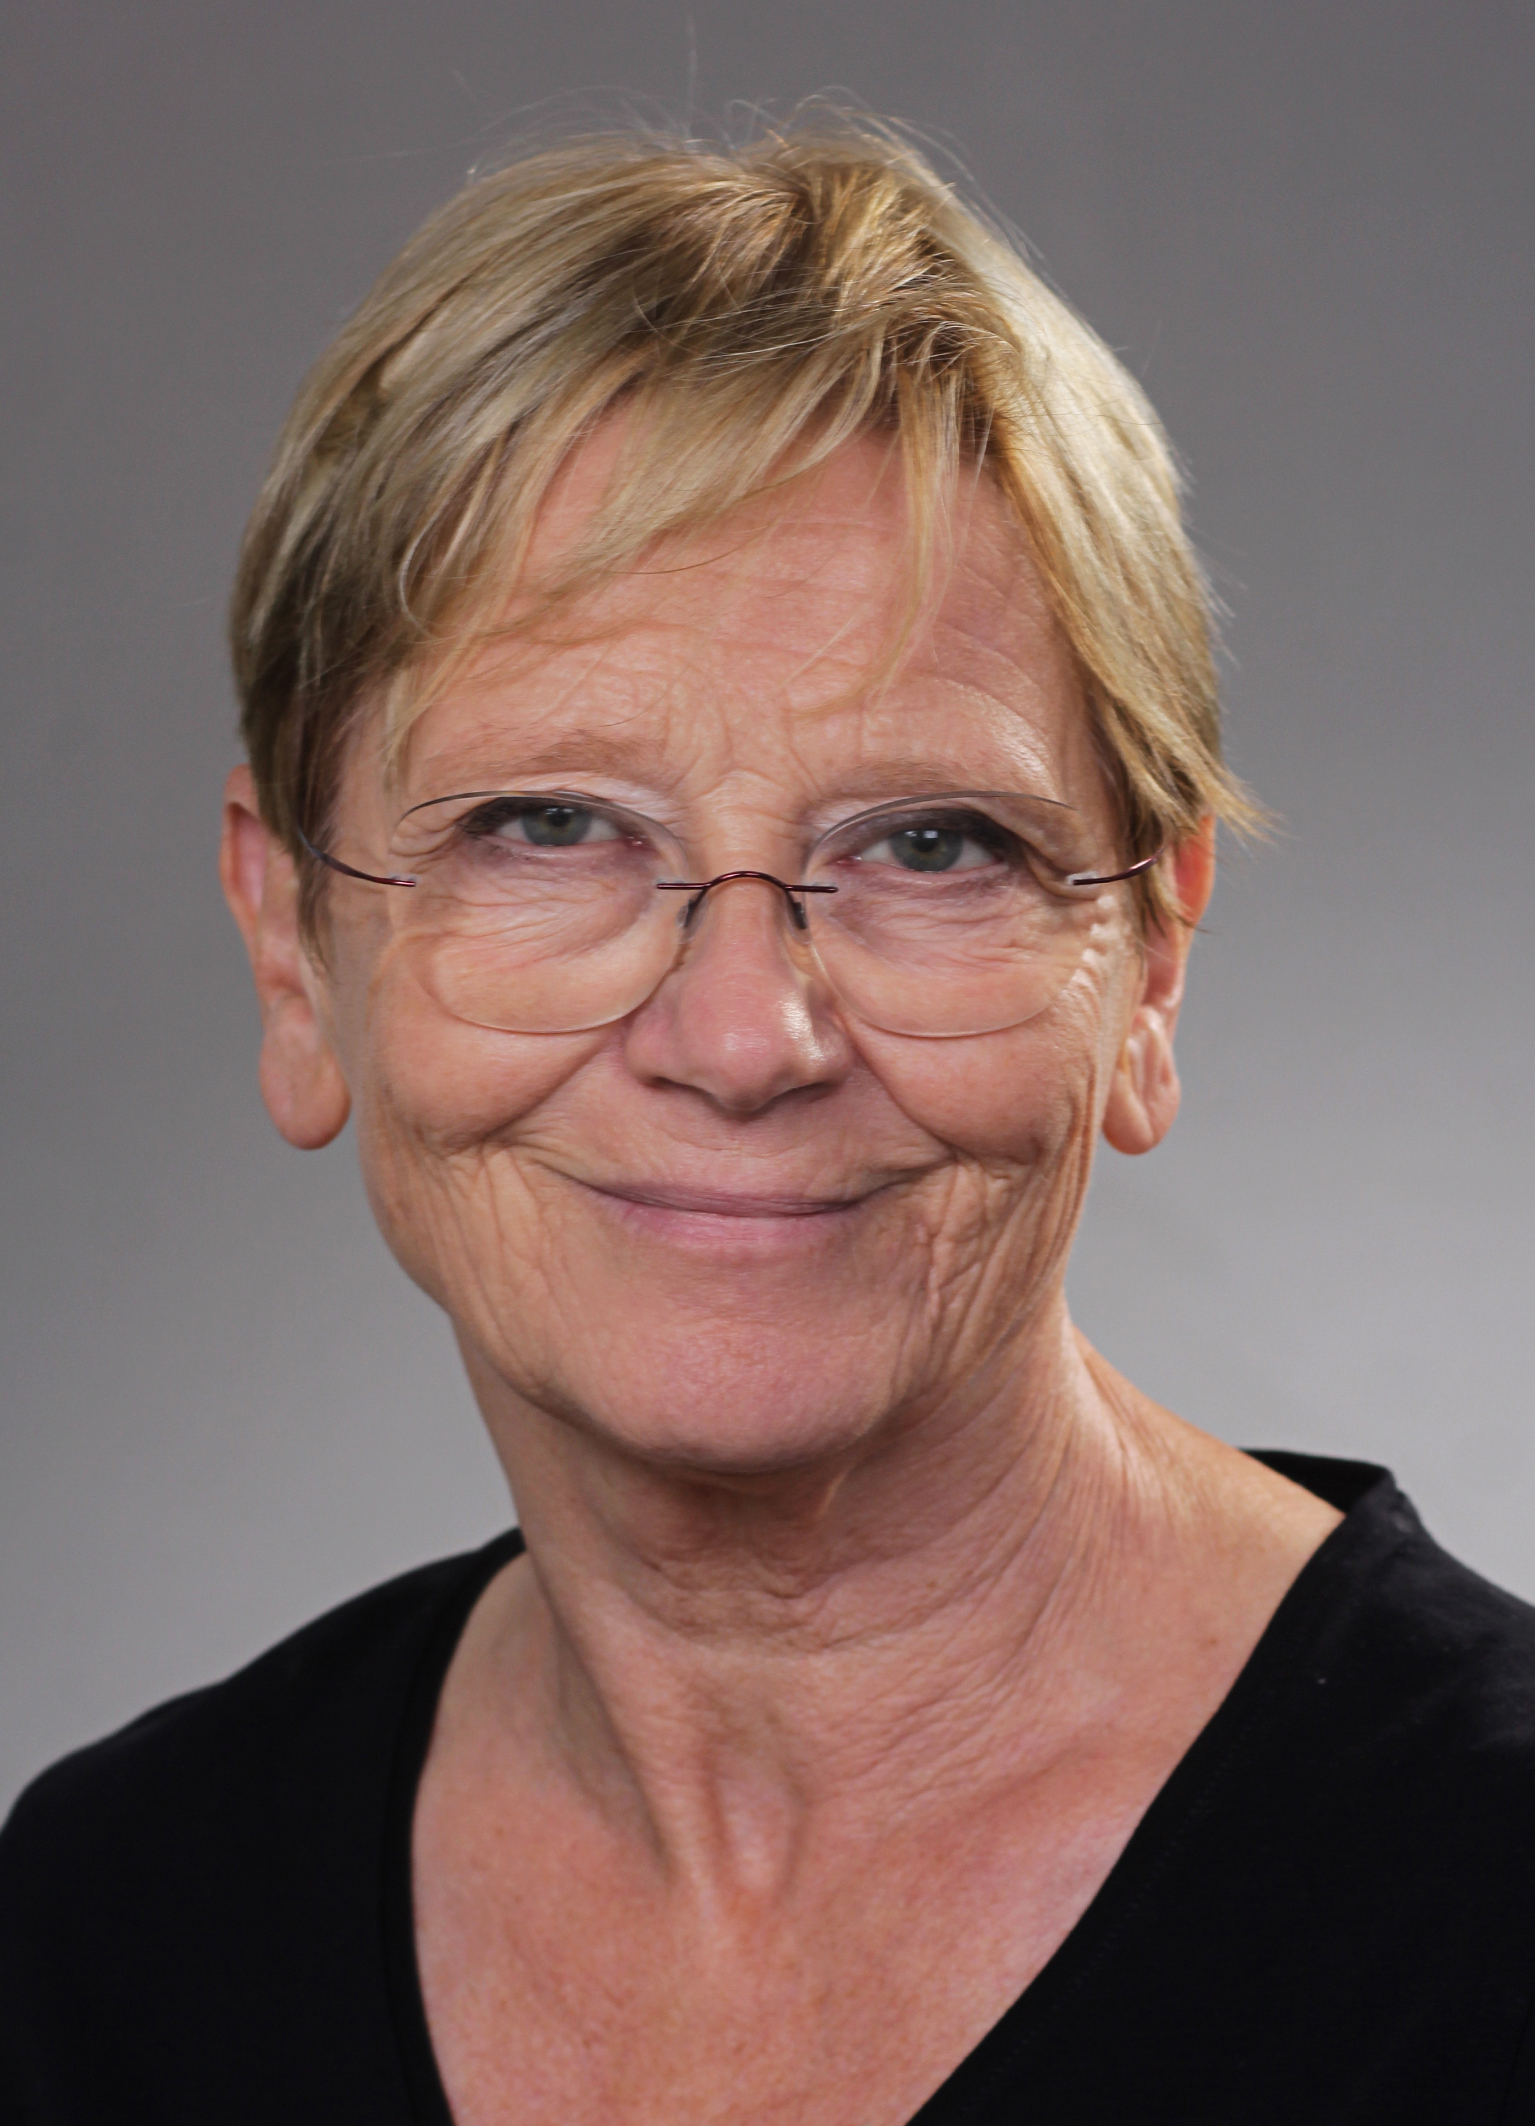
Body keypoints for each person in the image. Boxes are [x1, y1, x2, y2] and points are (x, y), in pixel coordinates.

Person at [2, 122, 1533, 2126]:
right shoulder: (107, 1939)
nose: (744, 1037)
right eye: (550, 825)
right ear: (295, 948)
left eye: (931, 844)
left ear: (1149, 967)